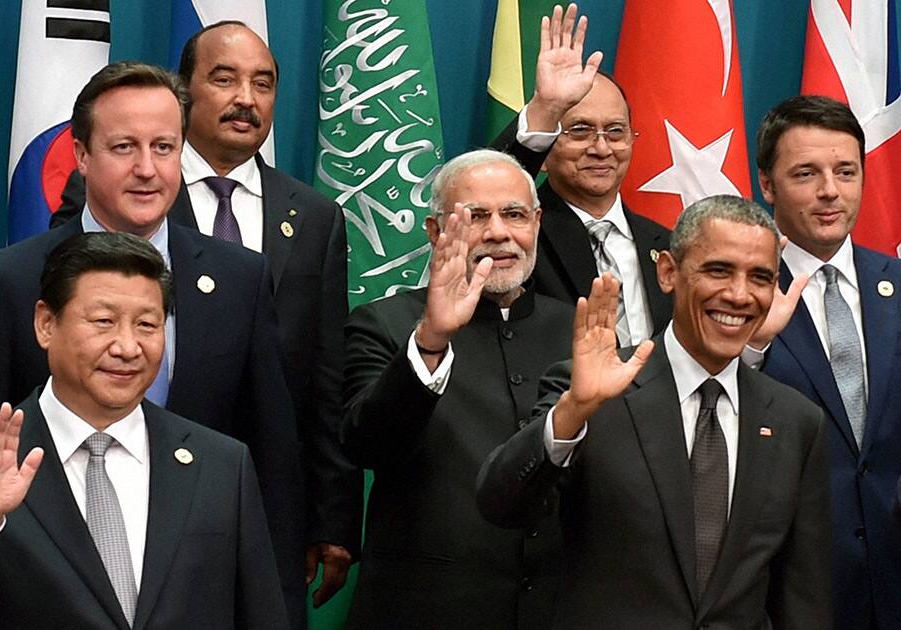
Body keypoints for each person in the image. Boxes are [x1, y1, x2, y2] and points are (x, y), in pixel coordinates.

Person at [0, 61, 306, 624]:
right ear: (82, 156)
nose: (147, 170)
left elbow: (270, 453)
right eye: (124, 147)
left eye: (164, 147)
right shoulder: (5, 283)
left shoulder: (239, 278)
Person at [53, 21, 359, 607]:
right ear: (186, 93)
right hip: (104, 487)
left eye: (263, 83)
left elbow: (323, 378)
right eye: (225, 79)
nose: (246, 98)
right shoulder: (124, 191)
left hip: (245, 504)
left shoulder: (317, 217)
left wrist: (331, 517)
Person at [478, 195, 833, 628]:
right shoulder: (593, 391)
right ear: (668, 272)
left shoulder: (796, 422)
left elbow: (804, 599)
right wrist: (574, 411)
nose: (739, 295)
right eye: (718, 270)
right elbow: (501, 507)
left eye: (759, 277)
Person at [0, 232, 288, 629]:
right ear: (46, 324)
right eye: (104, 322)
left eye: (147, 325)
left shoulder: (220, 464)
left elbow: (261, 615)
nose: (127, 346)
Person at [341, 146, 584, 628]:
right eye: (476, 216)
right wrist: (431, 340)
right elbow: (367, 445)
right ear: (436, 232)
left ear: (536, 223)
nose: (498, 232)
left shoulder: (579, 332)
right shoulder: (385, 324)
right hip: (426, 611)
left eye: (514, 214)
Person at [746, 95, 901, 630]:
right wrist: (754, 346)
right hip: (794, 588)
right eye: (806, 173)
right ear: (767, 185)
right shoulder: (738, 292)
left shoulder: (897, 285)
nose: (830, 191)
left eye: (845, 171)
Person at [491, 5, 671, 344]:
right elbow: (482, 194)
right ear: (544, 153)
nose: (601, 148)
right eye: (580, 130)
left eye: (615, 132)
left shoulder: (670, 245)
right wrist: (546, 109)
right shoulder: (517, 234)